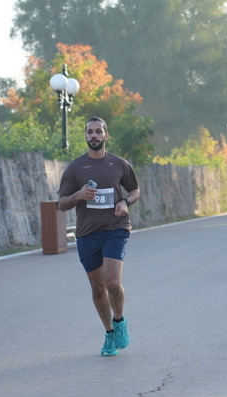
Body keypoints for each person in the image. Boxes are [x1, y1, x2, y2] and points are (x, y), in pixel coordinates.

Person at [57, 117, 141, 356]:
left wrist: (125, 202)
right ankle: (109, 333)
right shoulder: (75, 168)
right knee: (97, 288)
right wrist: (78, 196)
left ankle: (119, 320)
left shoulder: (119, 164)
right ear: (85, 136)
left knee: (112, 282)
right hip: (87, 233)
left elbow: (135, 190)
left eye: (98, 131)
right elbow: (61, 204)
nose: (94, 135)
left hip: (115, 228)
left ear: (106, 135)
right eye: (90, 132)